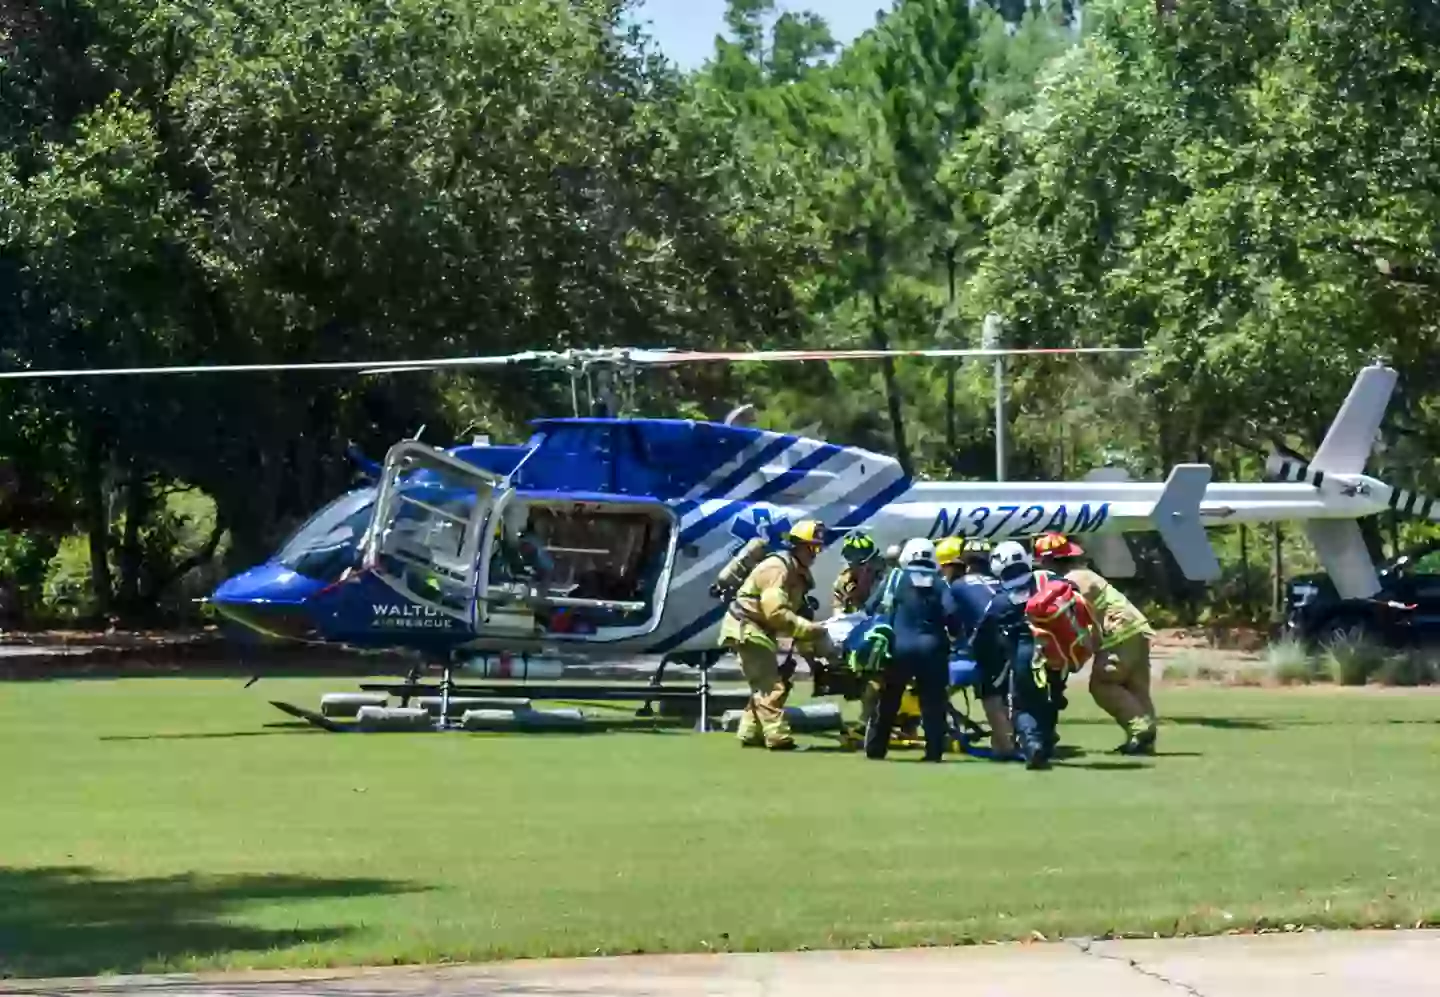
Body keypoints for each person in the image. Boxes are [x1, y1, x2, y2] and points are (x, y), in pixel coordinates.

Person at [1033, 533, 1157, 755]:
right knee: (1135, 686)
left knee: (1103, 684)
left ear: (1048, 562)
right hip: (1136, 629)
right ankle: (1143, 740)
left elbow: (1064, 618)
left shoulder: (1071, 581)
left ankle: (1140, 728)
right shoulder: (1085, 574)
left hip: (1117, 633)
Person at [719, 519, 834, 751]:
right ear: (798, 545)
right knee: (771, 686)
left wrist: (813, 659)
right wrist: (810, 630)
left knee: (765, 683)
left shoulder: (795, 571)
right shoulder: (778, 569)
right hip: (747, 627)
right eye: (813, 548)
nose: (816, 554)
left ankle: (750, 732)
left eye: (819, 548)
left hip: (758, 629)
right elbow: (777, 613)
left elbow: (797, 615)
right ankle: (778, 738)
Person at [864, 539, 964, 763]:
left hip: (899, 647)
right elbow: (953, 614)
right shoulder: (940, 583)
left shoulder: (895, 577)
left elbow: (871, 606)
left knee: (889, 698)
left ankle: (876, 748)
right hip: (934, 649)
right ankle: (934, 752)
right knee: (933, 702)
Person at [971, 540, 1057, 770]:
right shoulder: (1047, 581)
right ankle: (1045, 743)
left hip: (1025, 655)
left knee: (1022, 704)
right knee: (1049, 700)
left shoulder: (1000, 601)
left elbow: (981, 637)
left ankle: (1032, 745)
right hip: (1057, 655)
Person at [936, 537, 1016, 758]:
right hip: (1016, 640)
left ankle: (1006, 747)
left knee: (990, 695)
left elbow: (949, 618)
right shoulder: (999, 583)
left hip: (988, 645)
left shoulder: (958, 586)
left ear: (965, 563)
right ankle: (1007, 740)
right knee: (1005, 694)